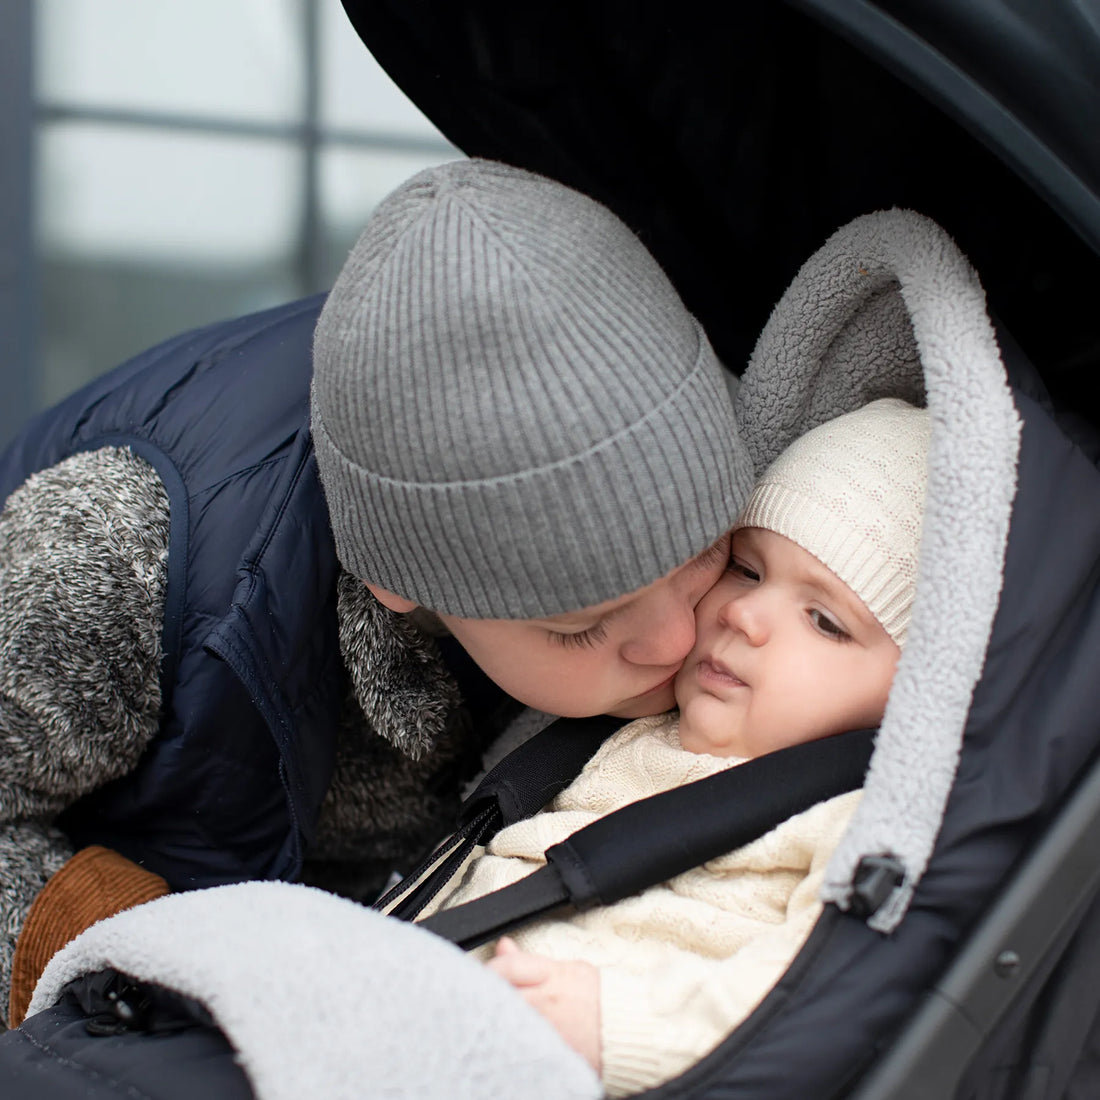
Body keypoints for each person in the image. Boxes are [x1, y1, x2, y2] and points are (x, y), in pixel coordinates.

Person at [0, 158, 754, 1026]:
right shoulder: (113, 557)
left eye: (707, 551)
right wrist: (154, 975)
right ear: (397, 580)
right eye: (582, 624)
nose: (677, 638)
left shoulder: (742, 455)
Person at [422, 398, 930, 1098]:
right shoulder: (622, 724)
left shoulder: (857, 821)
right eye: (746, 569)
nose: (744, 614)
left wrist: (621, 1030)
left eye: (823, 621)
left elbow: (828, 1005)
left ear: (914, 696)